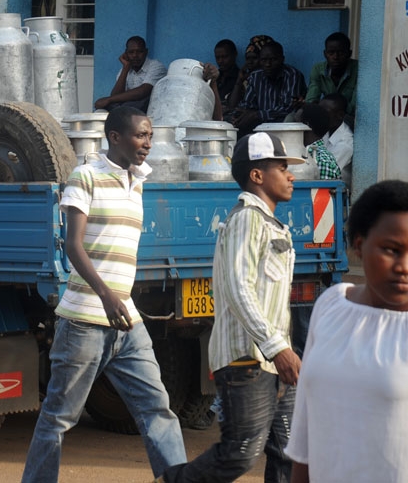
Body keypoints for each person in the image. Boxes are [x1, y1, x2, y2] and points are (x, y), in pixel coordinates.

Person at [21, 106, 186, 483]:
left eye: (150, 135)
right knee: (59, 418)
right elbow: (73, 247)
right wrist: (107, 295)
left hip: (127, 322)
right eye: (140, 135)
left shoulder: (138, 181)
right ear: (114, 137)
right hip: (84, 322)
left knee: (157, 409)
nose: (148, 143)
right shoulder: (86, 176)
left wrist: (119, 300)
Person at [160, 132, 305, 483]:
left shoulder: (271, 224)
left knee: (291, 453)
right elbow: (238, 289)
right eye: (282, 167)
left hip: (272, 361)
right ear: (257, 175)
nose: (291, 176)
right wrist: (278, 349)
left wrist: (280, 350)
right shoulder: (246, 220)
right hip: (247, 360)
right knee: (239, 454)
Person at [285, 179, 408, 483]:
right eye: (391, 250)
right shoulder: (331, 305)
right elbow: (304, 434)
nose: (404, 265)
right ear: (358, 243)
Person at [230, 41, 306, 137]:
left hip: (281, 125)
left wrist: (257, 115)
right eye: (264, 60)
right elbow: (247, 105)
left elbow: (287, 108)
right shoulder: (256, 76)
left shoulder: (292, 75)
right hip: (260, 124)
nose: (267, 64)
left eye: (273, 59)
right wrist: (238, 116)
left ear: (282, 59)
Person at [94, 36, 167, 112]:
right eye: (131, 52)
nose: (135, 55)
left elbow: (142, 91)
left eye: (139, 52)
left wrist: (109, 99)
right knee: (101, 111)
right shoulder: (125, 69)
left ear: (146, 52)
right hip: (129, 109)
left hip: (150, 111)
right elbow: (115, 95)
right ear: (126, 53)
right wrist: (125, 68)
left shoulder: (156, 66)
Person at [304, 32, 357, 121]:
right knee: (297, 115)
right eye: (331, 53)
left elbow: (354, 108)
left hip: (347, 117)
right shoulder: (318, 69)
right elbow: (311, 100)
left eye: (341, 53)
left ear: (349, 53)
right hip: (326, 114)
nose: (335, 57)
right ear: (325, 54)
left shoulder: (358, 70)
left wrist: (322, 105)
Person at [227, 35, 274, 111]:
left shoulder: (272, 79)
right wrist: (239, 80)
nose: (250, 62)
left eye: (255, 58)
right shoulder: (248, 79)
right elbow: (232, 105)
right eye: (248, 58)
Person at [317, 93, 353, 188]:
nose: (319, 116)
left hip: (336, 193)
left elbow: (323, 174)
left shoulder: (345, 143)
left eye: (324, 112)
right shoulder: (326, 131)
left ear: (340, 115)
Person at [299, 104, 341, 181]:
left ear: (306, 125)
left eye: (295, 122)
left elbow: (325, 192)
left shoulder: (322, 161)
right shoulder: (305, 153)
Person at [214, 39, 240, 106]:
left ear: (234, 55)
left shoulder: (240, 77)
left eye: (225, 57)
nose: (220, 61)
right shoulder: (215, 77)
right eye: (217, 58)